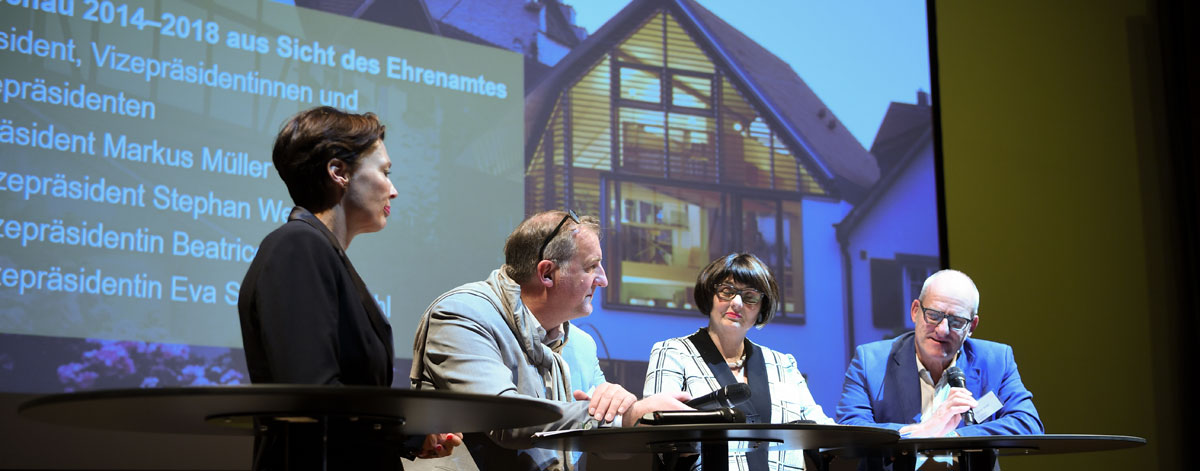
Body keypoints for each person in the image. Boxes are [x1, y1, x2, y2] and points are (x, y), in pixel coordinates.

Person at [238, 106, 461, 470]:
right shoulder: (297, 246)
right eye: (385, 172)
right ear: (338, 172)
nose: (394, 190)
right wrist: (405, 428)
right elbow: (314, 395)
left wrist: (409, 433)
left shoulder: (319, 252)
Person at [410, 210, 691, 471]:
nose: (603, 280)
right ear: (546, 273)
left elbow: (604, 444)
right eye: (592, 266)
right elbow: (504, 421)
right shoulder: (462, 314)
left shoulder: (582, 344)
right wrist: (626, 416)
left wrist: (627, 413)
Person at [644, 253, 834, 471]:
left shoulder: (783, 364)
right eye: (727, 291)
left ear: (762, 307)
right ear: (710, 295)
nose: (736, 303)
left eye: (750, 296)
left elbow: (822, 430)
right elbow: (659, 435)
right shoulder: (673, 353)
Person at [836, 269, 1043, 438]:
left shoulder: (996, 360)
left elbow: (1027, 423)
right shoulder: (870, 361)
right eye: (933, 315)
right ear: (915, 311)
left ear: (972, 326)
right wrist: (923, 432)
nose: (942, 330)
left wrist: (954, 438)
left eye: (957, 321)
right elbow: (850, 428)